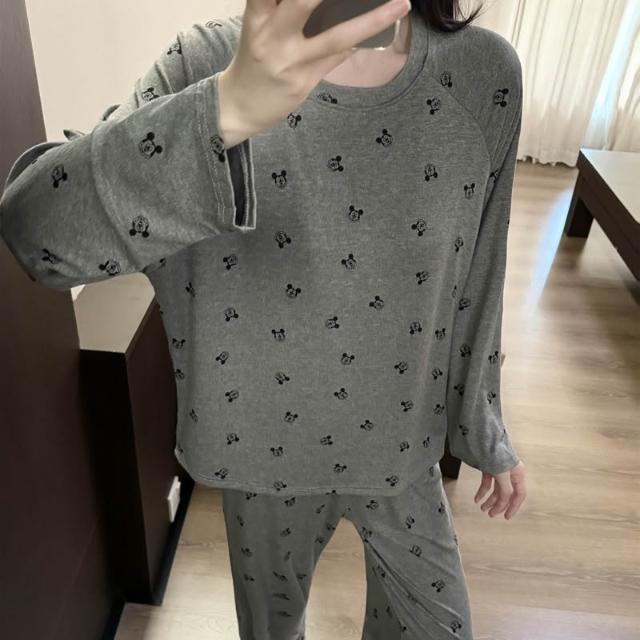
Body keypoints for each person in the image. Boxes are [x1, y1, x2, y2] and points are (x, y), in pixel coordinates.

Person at [0, 0, 528, 637]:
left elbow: (480, 273)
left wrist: (482, 426)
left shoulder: (480, 75)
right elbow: (37, 237)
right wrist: (224, 110)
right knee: (270, 630)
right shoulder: (206, 62)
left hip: (401, 445)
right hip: (261, 451)